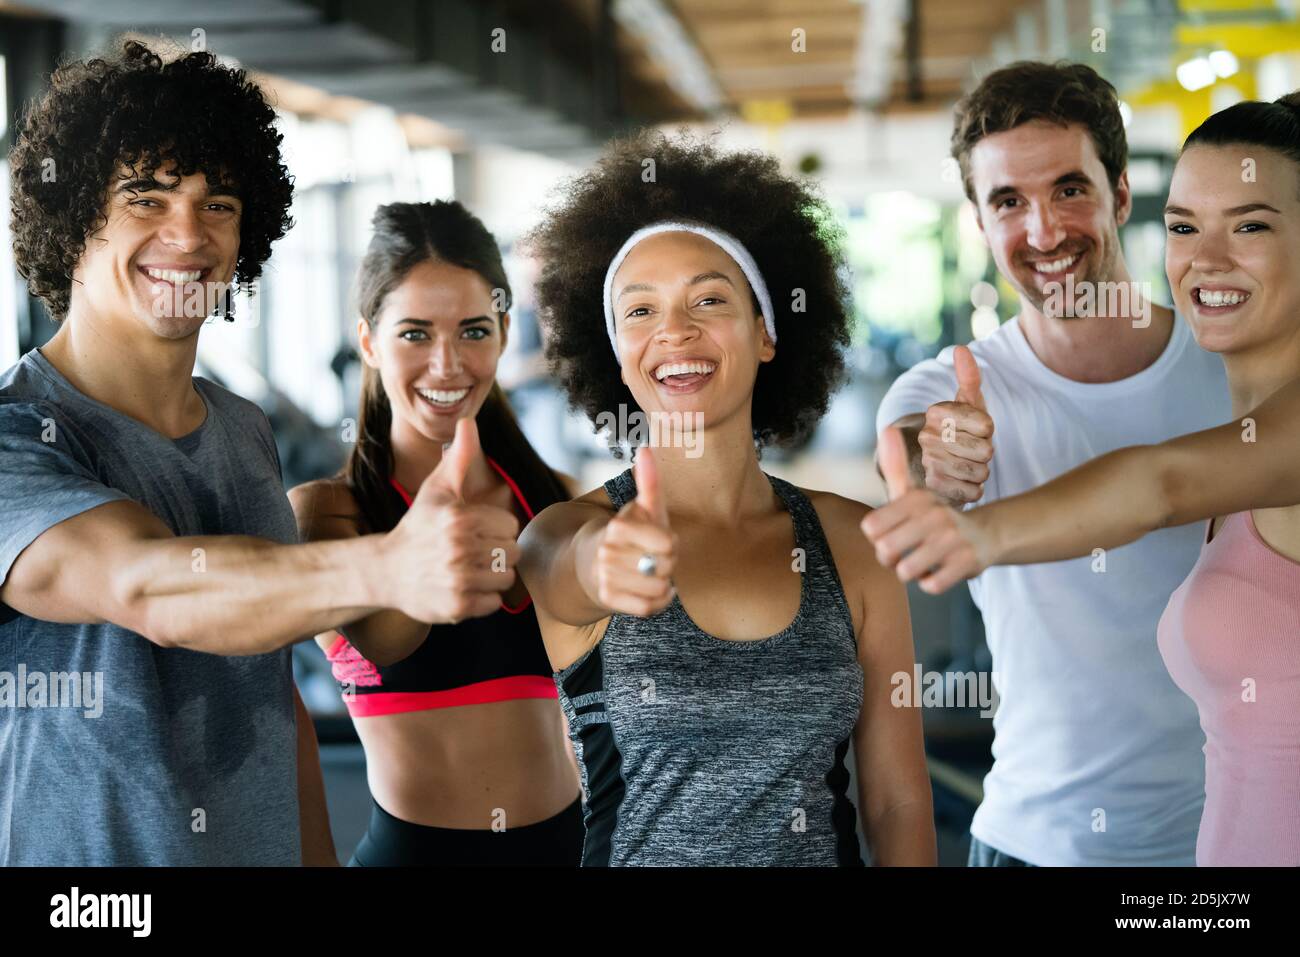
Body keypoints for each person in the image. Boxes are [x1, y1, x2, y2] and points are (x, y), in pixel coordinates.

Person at [0, 41, 519, 865]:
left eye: (219, 203)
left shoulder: (241, 427)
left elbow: (273, 701)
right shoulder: (14, 438)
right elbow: (153, 589)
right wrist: (387, 567)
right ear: (72, 220)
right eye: (147, 195)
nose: (189, 234)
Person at [865, 92, 1300, 867]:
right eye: (1007, 201)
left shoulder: (1230, 349)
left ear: (1120, 192)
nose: (1043, 229)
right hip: (1042, 841)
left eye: (1069, 188)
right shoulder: (951, 387)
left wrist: (980, 531)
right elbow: (914, 459)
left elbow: (1160, 483)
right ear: (979, 220)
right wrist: (939, 472)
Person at [518, 130, 935, 866]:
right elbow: (562, 568)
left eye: (709, 298)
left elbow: (897, 802)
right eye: (639, 311)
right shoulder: (571, 530)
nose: (674, 330)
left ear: (767, 331)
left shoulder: (852, 542)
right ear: (614, 349)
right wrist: (600, 564)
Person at [290, 201, 584, 866]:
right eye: (415, 334)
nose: (448, 365)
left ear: (505, 332)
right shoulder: (330, 513)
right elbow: (391, 635)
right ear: (368, 341)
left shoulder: (560, 499)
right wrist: (428, 539)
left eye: (473, 330)